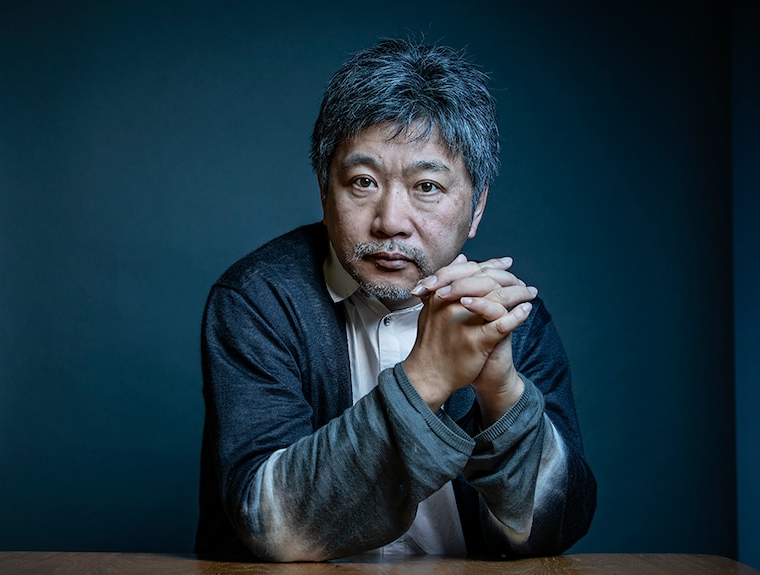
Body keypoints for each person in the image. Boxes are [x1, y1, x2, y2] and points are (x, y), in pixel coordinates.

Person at [194, 38, 596, 562]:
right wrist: (427, 380)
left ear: (475, 209)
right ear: (323, 189)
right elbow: (271, 524)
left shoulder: (512, 315)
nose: (389, 221)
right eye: (363, 182)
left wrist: (503, 395)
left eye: (427, 186)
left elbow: (553, 530)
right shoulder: (258, 300)